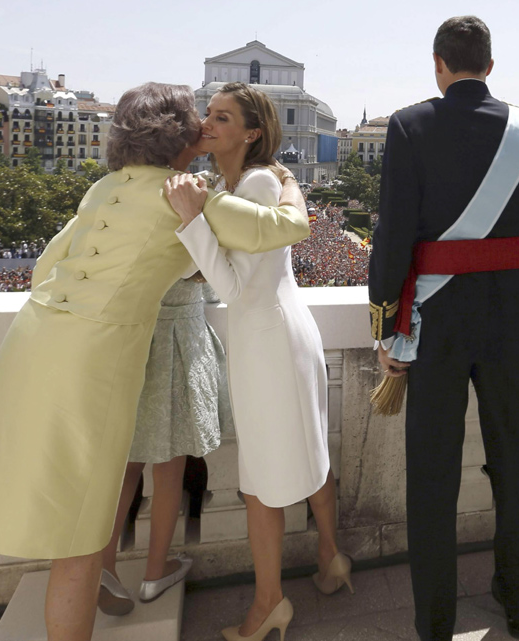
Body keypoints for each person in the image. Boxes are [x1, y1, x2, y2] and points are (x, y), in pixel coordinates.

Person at [0, 82, 311, 641]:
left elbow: (44, 270)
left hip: (30, 343)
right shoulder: (190, 194)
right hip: (91, 365)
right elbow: (289, 228)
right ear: (178, 135)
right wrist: (291, 183)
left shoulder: (104, 188)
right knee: (79, 539)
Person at [367, 17, 519, 640]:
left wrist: (385, 323)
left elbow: (394, 234)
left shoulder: (408, 124)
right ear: (489, 63)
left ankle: (436, 619)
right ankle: (515, 601)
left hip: (438, 316)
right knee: (510, 452)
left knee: (434, 469)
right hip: (510, 310)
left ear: (438, 63)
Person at [165, 82, 350, 641]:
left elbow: (240, 290)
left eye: (223, 117)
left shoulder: (259, 182)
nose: (209, 123)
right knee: (307, 451)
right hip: (275, 335)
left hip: (267, 339)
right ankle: (329, 558)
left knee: (261, 482)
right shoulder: (241, 183)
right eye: (208, 114)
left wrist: (192, 223)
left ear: (252, 131)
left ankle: (269, 602)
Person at [97, 277, 231, 615]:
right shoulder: (192, 225)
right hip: (181, 344)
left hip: (136, 345)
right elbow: (216, 286)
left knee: (125, 469)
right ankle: (155, 573)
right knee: (170, 471)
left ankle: (104, 567)